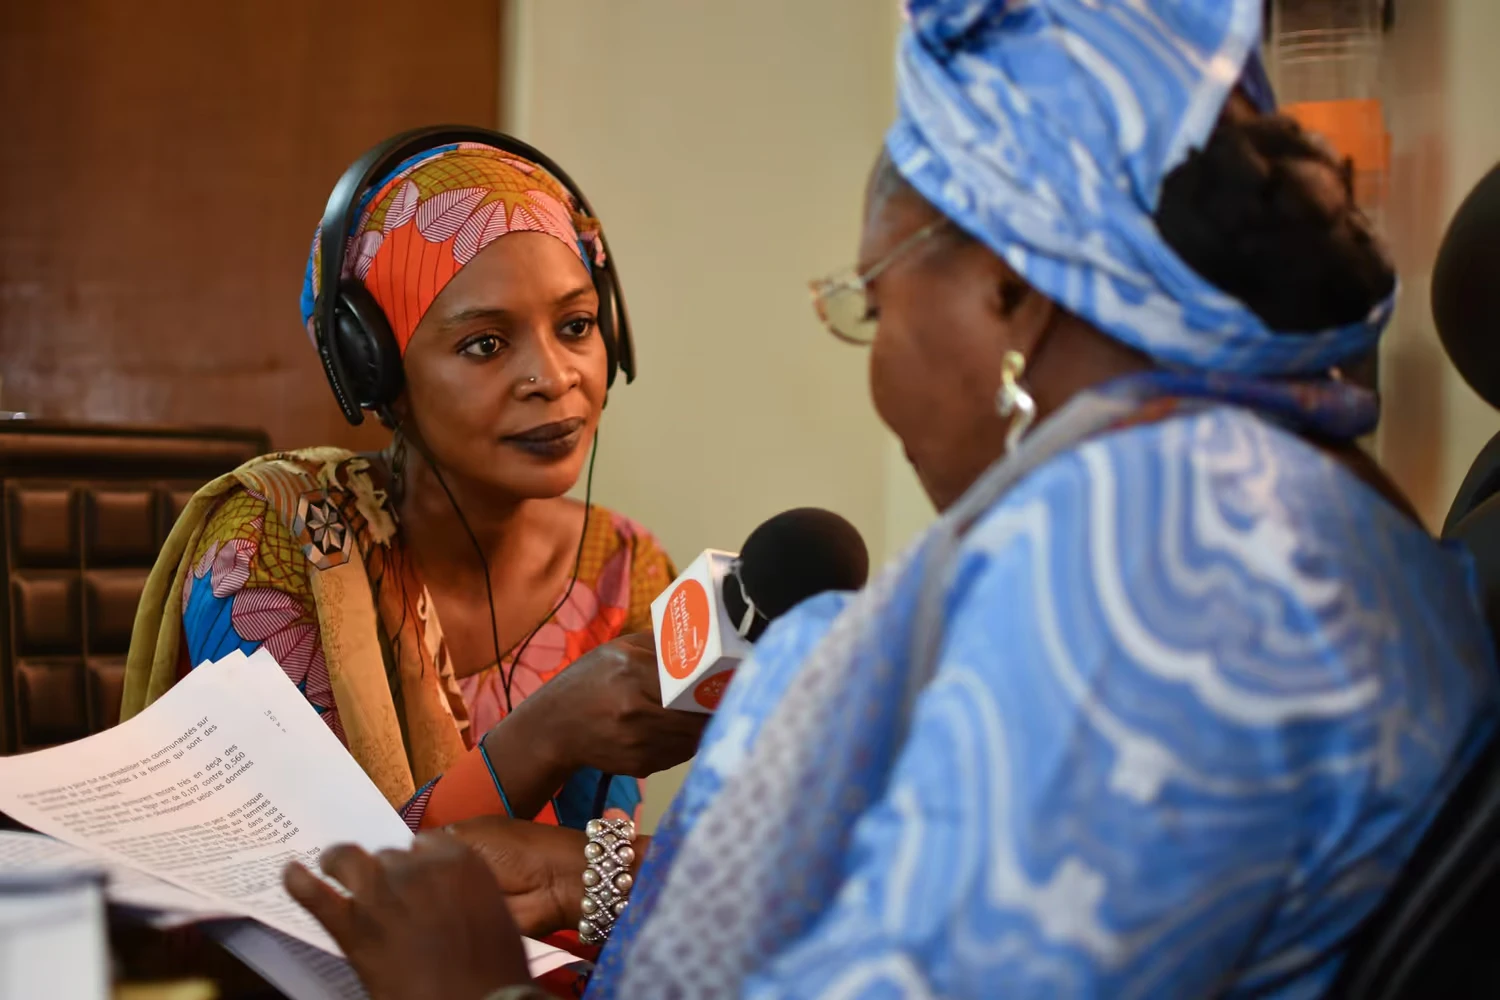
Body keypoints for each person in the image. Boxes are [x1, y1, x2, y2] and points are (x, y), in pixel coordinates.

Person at [286, 1, 1500, 996]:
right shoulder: (1260, 487)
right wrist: (591, 877)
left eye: (870, 300)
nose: (873, 364)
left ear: (1012, 291)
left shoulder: (1156, 560)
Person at [121, 137, 705, 843]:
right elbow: (309, 885)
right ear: (376, 373)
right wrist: (546, 734)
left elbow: (600, 863)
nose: (554, 378)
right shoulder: (274, 550)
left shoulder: (624, 570)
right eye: (486, 344)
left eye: (576, 326)